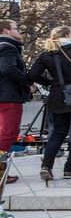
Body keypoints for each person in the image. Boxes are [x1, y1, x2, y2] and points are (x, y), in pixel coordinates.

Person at [27, 26, 71, 182]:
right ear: (67, 35)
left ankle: (46, 166)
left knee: (58, 132)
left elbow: (32, 75)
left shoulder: (47, 54)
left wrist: (52, 83)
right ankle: (70, 168)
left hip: (58, 95)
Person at [0, 20, 30, 183]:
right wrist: (28, 82)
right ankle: (0, 170)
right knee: (8, 133)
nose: (19, 31)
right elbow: (8, 69)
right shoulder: (7, 47)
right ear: (6, 30)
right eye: (16, 28)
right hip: (8, 96)